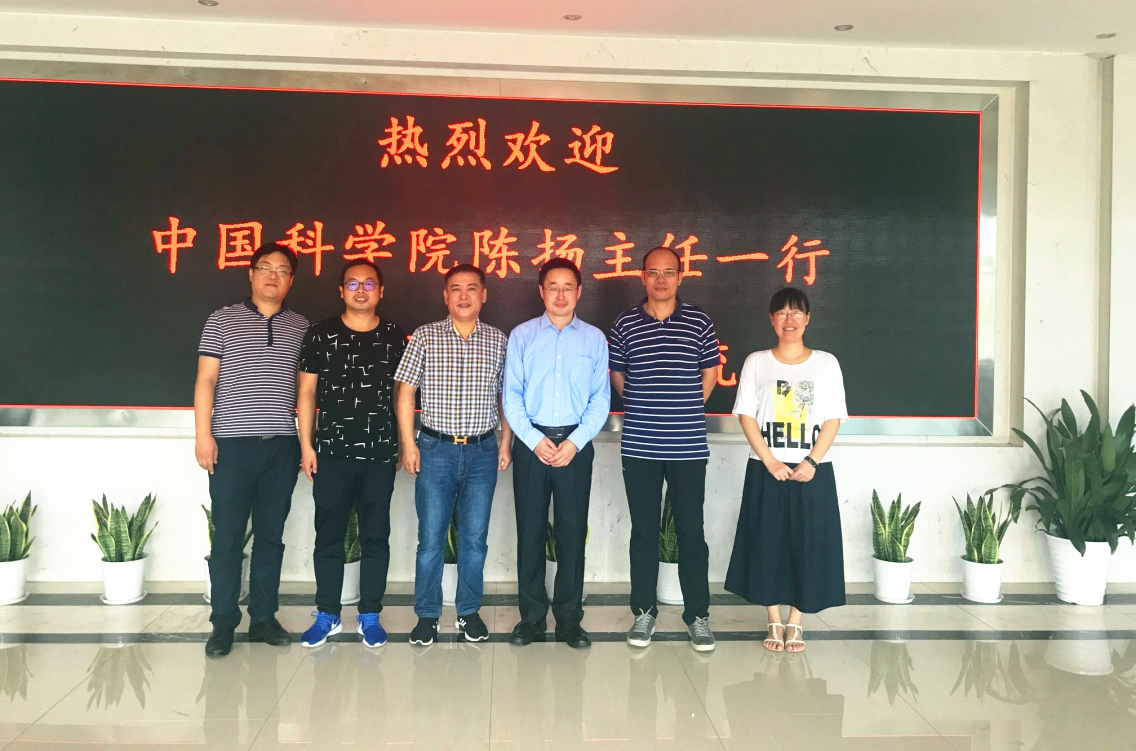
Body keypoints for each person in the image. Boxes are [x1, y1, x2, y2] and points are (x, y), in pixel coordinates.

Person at [194, 242, 309, 658]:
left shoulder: (302, 326)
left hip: (281, 446)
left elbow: (307, 391)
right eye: (265, 268)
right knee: (227, 538)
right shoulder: (222, 320)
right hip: (231, 446)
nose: (273, 276)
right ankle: (223, 623)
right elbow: (206, 380)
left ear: (291, 280)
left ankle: (263, 618)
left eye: (282, 270)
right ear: (251, 274)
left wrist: (305, 443)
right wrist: (203, 435)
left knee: (271, 538)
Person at [608, 246, 720, 652]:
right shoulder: (625, 323)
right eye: (653, 272)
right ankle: (644, 612)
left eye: (668, 272)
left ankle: (698, 616)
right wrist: (645, 407)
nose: (660, 279)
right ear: (643, 277)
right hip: (640, 445)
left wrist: (683, 408)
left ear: (680, 276)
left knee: (691, 531)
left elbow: (710, 374)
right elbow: (618, 375)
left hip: (688, 445)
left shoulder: (699, 321)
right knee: (643, 531)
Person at [394, 263, 512, 645]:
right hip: (435, 449)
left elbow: (507, 397)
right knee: (430, 539)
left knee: (474, 540)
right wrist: (409, 444)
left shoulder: (498, 340)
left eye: (471, 288)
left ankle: (468, 612)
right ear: (445, 296)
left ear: (484, 295)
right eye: (456, 289)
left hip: (482, 450)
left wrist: (506, 442)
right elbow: (406, 392)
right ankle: (427, 615)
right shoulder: (425, 336)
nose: (464, 295)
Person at [725, 286, 848, 653]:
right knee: (767, 544)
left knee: (809, 545)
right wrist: (770, 460)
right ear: (772, 319)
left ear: (807, 318)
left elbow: (833, 418)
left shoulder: (826, 363)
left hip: (813, 471)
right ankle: (773, 619)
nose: (789, 319)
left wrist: (811, 462)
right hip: (766, 467)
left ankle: (796, 621)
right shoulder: (757, 362)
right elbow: (746, 415)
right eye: (782, 312)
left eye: (796, 312)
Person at [296, 259, 407, 649]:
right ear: (341, 291)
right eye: (353, 284)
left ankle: (370, 614)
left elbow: (402, 394)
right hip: (332, 453)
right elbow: (306, 392)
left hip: (379, 453)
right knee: (328, 536)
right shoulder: (320, 333)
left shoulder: (394, 335)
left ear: (381, 291)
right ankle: (327, 614)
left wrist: (401, 442)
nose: (361, 290)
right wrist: (306, 445)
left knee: (376, 536)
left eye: (369, 284)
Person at [503, 258, 610, 649]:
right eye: (553, 286)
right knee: (530, 533)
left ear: (579, 292)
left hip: (575, 448)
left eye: (568, 287)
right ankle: (531, 619)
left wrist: (574, 443)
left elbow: (601, 399)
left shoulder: (594, 339)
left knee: (571, 534)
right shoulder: (522, 336)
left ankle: (568, 619)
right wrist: (533, 440)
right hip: (531, 445)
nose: (560, 294)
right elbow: (511, 395)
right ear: (541, 291)